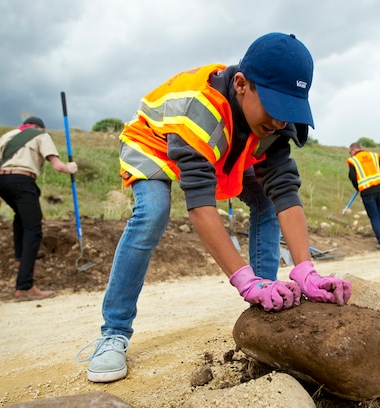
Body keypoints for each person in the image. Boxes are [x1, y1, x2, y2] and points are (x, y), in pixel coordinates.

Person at [76, 33, 352, 383]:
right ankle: (112, 333)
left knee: (265, 199)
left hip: (218, 148)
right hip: (155, 143)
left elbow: (284, 190)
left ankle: (270, 296)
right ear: (241, 84)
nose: (280, 122)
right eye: (274, 107)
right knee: (153, 213)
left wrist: (306, 270)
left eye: (288, 110)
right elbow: (201, 206)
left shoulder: (274, 121)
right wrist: (243, 281)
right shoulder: (201, 107)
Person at [0, 116, 78, 302]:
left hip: (1, 181)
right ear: (40, 128)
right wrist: (70, 168)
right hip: (23, 181)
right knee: (33, 231)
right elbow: (58, 166)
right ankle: (24, 287)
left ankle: (20, 267)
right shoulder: (41, 135)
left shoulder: (7, 136)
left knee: (21, 219)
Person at [347, 143, 380, 251]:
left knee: (373, 216)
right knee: (378, 209)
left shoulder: (353, 160)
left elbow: (352, 177)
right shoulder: (374, 155)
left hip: (367, 191)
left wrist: (358, 188)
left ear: (353, 150)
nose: (350, 154)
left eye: (350, 152)